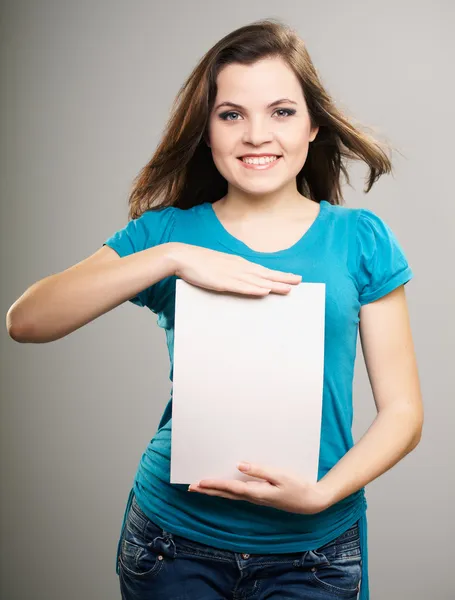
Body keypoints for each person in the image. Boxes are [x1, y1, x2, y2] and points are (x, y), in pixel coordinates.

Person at [6, 18, 423, 600]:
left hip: (315, 550)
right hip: (172, 542)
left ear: (312, 126)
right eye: (232, 114)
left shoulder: (360, 239)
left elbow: (403, 412)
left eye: (280, 112)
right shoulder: (167, 232)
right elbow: (26, 320)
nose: (256, 135)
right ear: (207, 130)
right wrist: (172, 258)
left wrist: (322, 495)